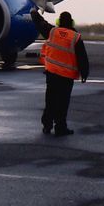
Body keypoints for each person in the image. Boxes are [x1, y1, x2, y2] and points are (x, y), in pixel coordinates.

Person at [31, 9, 89, 137]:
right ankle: (60, 127)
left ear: (58, 21)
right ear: (72, 23)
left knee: (50, 100)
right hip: (66, 77)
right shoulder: (76, 37)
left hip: (52, 73)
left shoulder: (52, 32)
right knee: (63, 103)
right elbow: (82, 58)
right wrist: (84, 74)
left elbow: (41, 23)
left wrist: (34, 13)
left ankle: (47, 125)